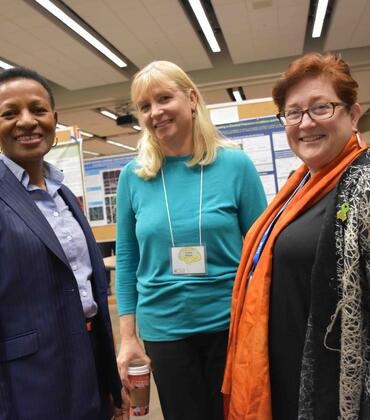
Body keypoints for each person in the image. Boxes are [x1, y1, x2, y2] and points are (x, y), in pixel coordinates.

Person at [115, 60, 266, 420]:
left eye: (164, 98)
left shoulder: (235, 165)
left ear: (192, 98)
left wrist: (264, 323)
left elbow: (262, 249)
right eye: (145, 106)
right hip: (164, 330)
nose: (156, 112)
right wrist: (128, 337)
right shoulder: (133, 177)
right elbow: (126, 258)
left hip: (227, 323)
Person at [222, 52, 370, 419]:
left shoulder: (364, 186)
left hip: (333, 389)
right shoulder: (298, 184)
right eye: (293, 112)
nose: (306, 123)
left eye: (321, 108)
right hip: (285, 378)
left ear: (352, 114)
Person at [0, 67, 129, 420]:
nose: (27, 121)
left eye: (38, 110)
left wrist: (110, 382)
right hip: (26, 385)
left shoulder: (64, 195)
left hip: (89, 363)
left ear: (54, 119)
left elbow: (88, 293)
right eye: (10, 113)